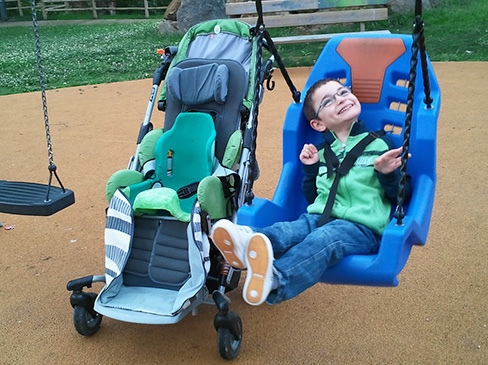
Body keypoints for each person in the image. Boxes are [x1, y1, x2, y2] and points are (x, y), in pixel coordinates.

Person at [210, 78, 411, 306]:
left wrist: (387, 173)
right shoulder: (323, 153)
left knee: (324, 238)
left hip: (361, 228)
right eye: (328, 101)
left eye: (343, 92)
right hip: (318, 218)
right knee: (287, 230)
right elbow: (314, 198)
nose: (340, 99)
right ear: (318, 124)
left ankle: (276, 278)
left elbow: (401, 197)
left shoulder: (381, 144)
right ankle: (246, 242)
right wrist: (311, 169)